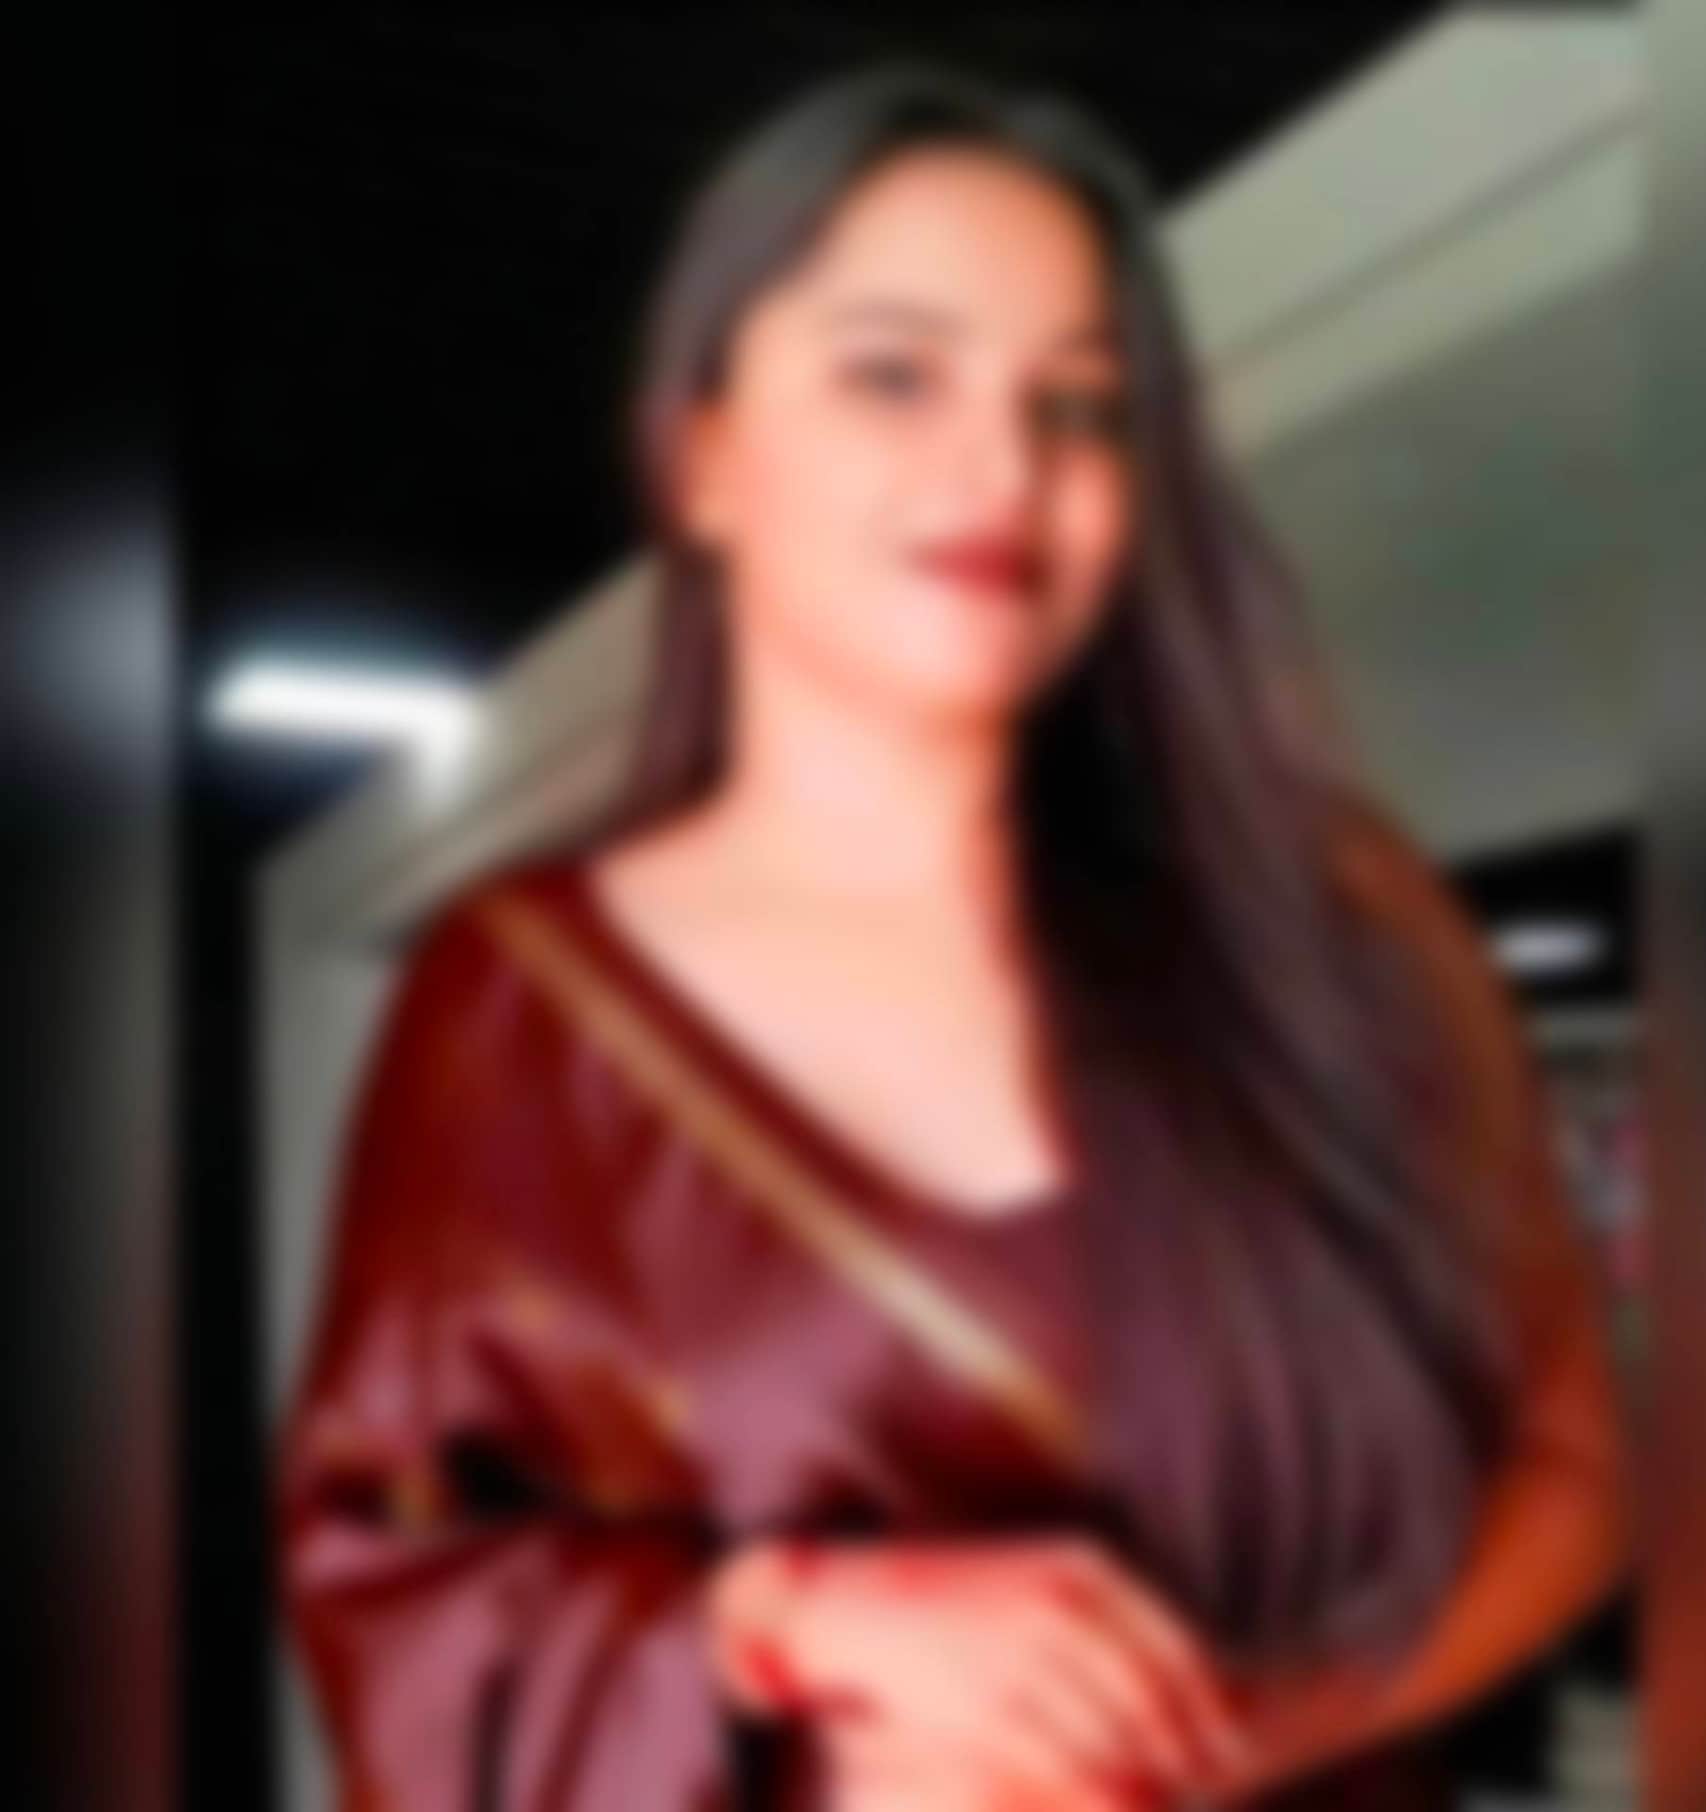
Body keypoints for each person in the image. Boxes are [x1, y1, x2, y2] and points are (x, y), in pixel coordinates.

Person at [274, 62, 1629, 1812]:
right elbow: (383, 1577)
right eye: (894, 374)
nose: (1001, 463)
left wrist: (1204, 1741)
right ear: (704, 456)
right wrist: (786, 1623)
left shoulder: (1329, 912)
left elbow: (1578, 1466)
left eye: (1080, 406)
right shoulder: (514, 1005)